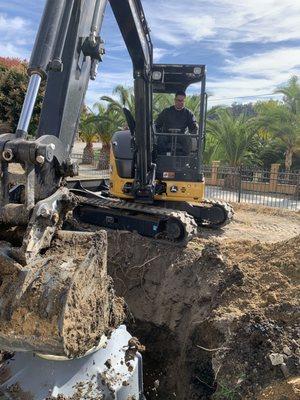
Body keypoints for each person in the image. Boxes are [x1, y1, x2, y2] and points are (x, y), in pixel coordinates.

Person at [155, 91, 198, 155]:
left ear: (184, 101)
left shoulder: (188, 113)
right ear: (175, 100)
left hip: (181, 135)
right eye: (178, 100)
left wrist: (195, 126)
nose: (180, 102)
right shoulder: (166, 111)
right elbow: (157, 124)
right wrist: (155, 127)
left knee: (187, 139)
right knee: (161, 139)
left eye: (182, 101)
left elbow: (193, 126)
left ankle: (184, 159)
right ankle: (163, 158)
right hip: (167, 135)